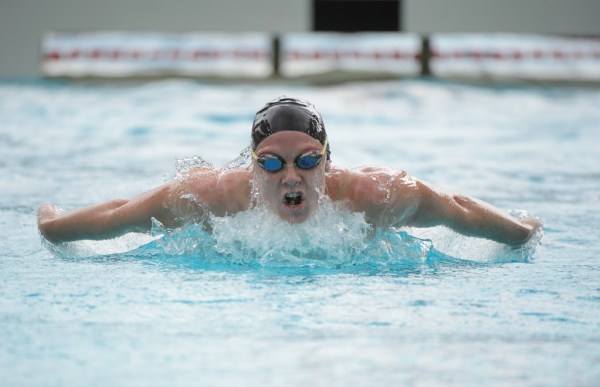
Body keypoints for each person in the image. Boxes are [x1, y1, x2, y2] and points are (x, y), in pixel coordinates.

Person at [37, 96, 541, 246]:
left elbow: (455, 208)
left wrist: (520, 232)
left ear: (328, 160)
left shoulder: (374, 195)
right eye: (272, 163)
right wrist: (53, 225)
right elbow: (124, 213)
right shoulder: (212, 195)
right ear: (253, 165)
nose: (290, 177)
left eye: (306, 160)